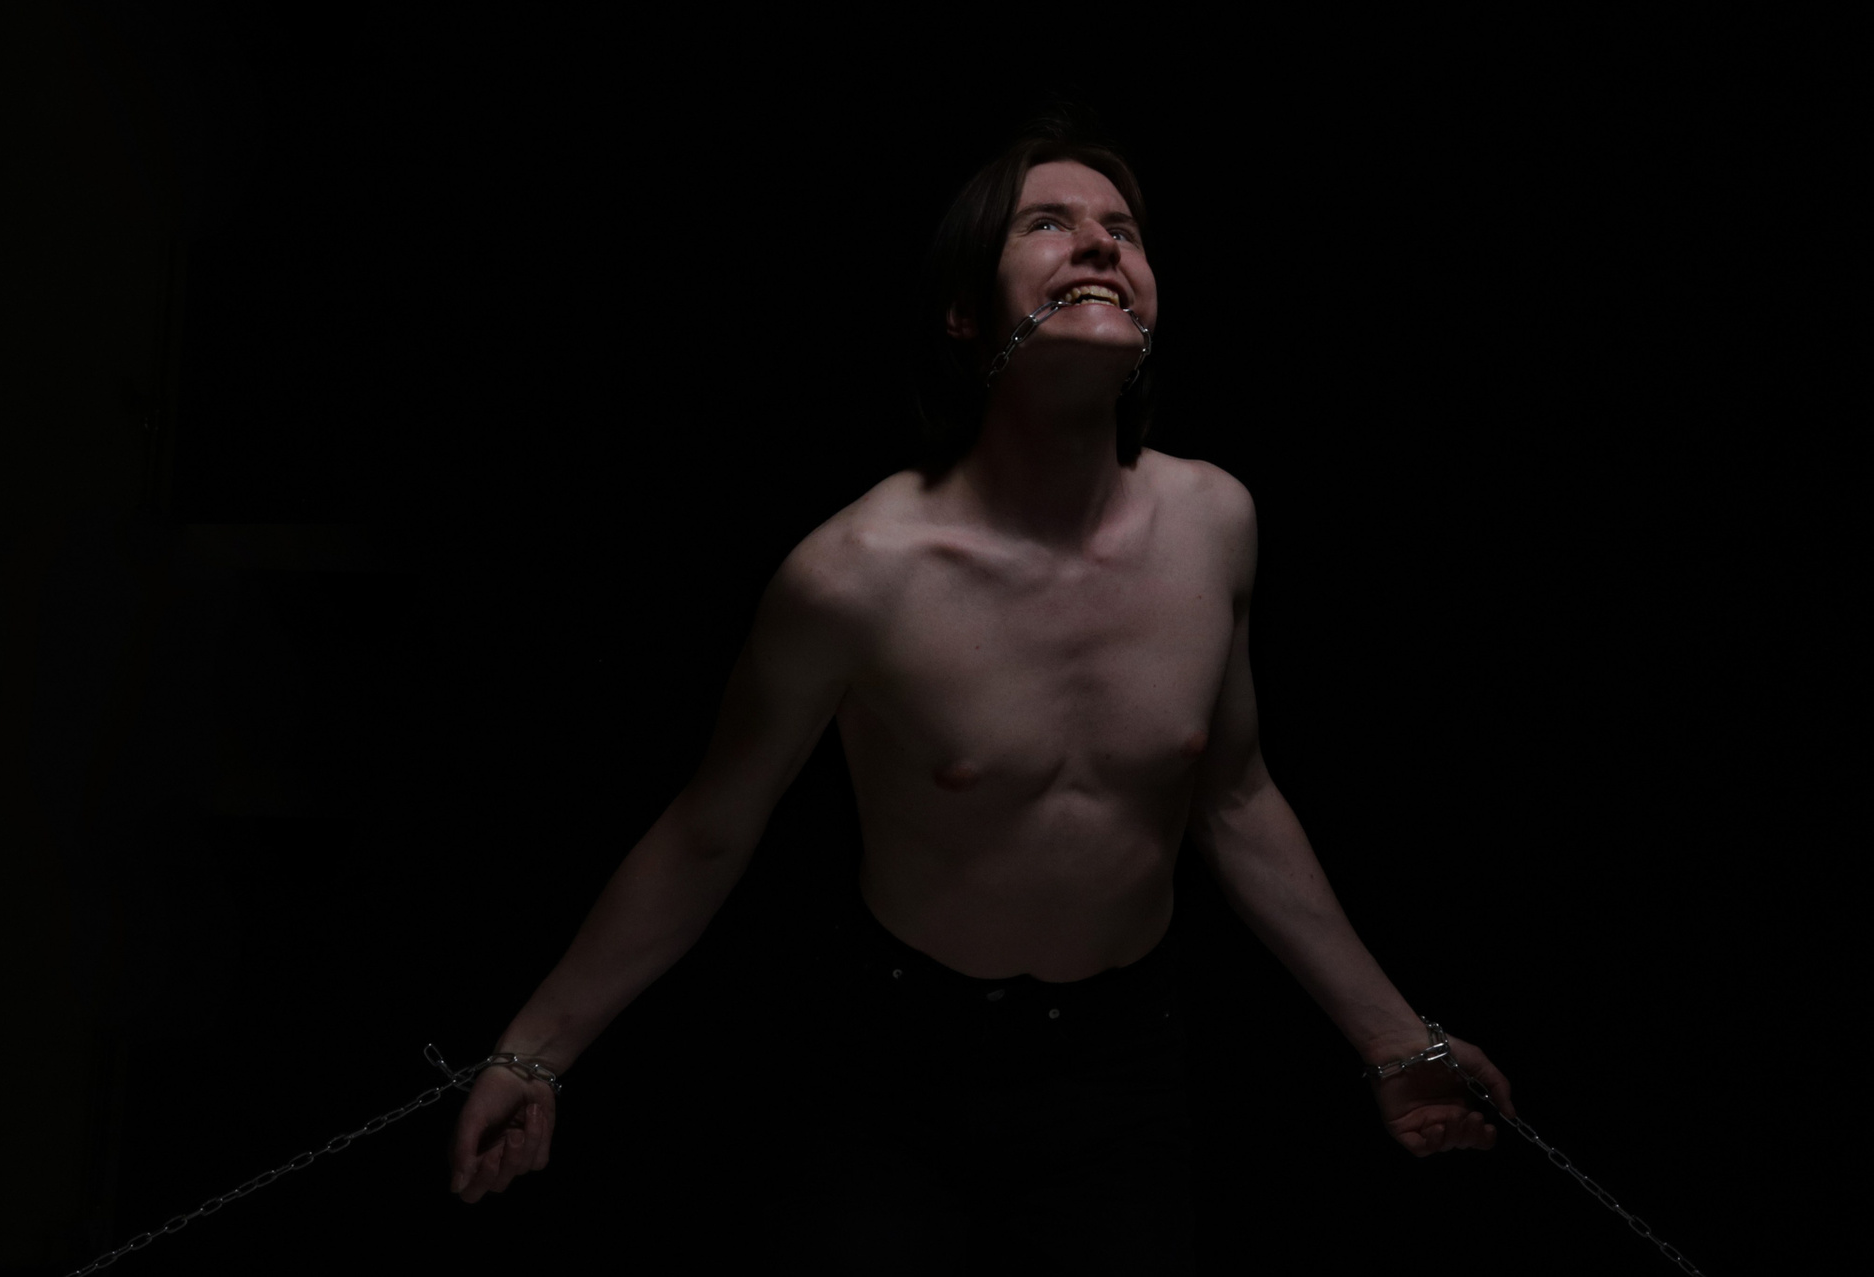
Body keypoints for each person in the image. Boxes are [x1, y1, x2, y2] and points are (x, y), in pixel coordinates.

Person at [447, 110, 1517, 1273]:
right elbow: (710, 826)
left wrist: (1393, 1038)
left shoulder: (1216, 522)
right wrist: (535, 1050)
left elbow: (1237, 796)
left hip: (1124, 1062)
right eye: (1048, 224)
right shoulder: (857, 574)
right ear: (965, 312)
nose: (1100, 244)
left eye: (1123, 231)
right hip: (897, 1065)